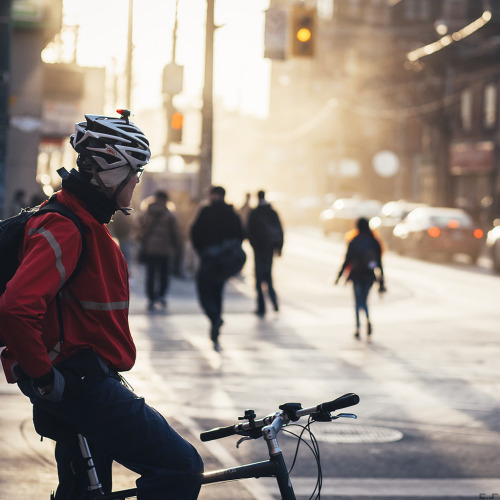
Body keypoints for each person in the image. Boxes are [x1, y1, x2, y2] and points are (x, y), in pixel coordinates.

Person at [0, 111, 203, 500]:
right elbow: (15, 308)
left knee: (84, 493)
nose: (137, 182)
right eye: (135, 172)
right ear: (111, 171)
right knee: (180, 466)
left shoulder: (86, 222)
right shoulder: (67, 227)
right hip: (78, 384)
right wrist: (45, 378)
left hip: (82, 378)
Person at [190, 186, 244, 350]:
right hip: (225, 262)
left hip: (209, 259)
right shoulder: (231, 213)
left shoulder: (206, 211)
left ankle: (214, 317)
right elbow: (241, 234)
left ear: (213, 195)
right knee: (217, 291)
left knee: (203, 291)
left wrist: (201, 251)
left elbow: (194, 233)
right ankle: (216, 322)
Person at [335, 217, 386, 340]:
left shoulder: (354, 241)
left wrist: (339, 276)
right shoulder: (374, 241)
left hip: (356, 275)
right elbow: (378, 263)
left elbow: (347, 260)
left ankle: (358, 327)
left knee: (357, 302)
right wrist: (381, 280)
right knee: (364, 301)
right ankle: (368, 320)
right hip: (369, 275)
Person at [138, 190, 181, 312]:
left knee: (150, 274)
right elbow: (175, 233)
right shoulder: (170, 214)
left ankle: (151, 297)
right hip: (165, 249)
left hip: (150, 248)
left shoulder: (146, 212)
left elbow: (139, 228)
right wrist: (176, 246)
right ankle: (161, 295)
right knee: (164, 274)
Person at [247, 190, 284, 317]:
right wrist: (279, 248)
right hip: (269, 249)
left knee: (258, 279)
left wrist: (253, 245)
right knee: (268, 277)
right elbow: (280, 230)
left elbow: (249, 231)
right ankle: (274, 304)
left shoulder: (255, 212)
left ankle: (261, 307)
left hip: (259, 249)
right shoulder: (272, 212)